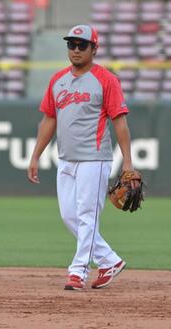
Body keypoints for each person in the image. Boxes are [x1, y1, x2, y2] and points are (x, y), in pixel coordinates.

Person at [27, 24, 135, 290]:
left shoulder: (106, 80)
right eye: (71, 44)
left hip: (94, 158)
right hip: (65, 158)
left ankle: (78, 271)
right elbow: (48, 120)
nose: (75, 50)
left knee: (87, 215)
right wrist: (35, 155)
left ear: (94, 49)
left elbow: (120, 122)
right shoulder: (57, 80)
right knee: (69, 216)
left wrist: (128, 163)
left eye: (82, 45)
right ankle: (109, 260)